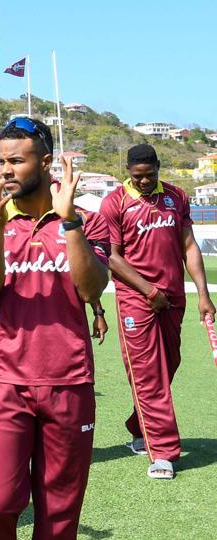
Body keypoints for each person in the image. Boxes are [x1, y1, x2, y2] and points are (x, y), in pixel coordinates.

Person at [0, 118, 110, 539]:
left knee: (59, 515)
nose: (5, 170)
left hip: (69, 382)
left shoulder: (86, 221)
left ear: (46, 162)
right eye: (1, 161)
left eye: (16, 161)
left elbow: (92, 288)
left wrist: (69, 225)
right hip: (6, 381)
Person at [98, 143, 215, 480]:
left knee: (167, 367)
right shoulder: (115, 202)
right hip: (137, 299)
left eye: (150, 175)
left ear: (158, 168)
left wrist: (203, 296)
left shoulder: (176, 196)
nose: (145, 182)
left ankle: (139, 426)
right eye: (138, 177)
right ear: (129, 172)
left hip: (173, 298)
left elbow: (189, 246)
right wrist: (149, 291)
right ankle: (163, 452)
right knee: (149, 374)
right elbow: (112, 257)